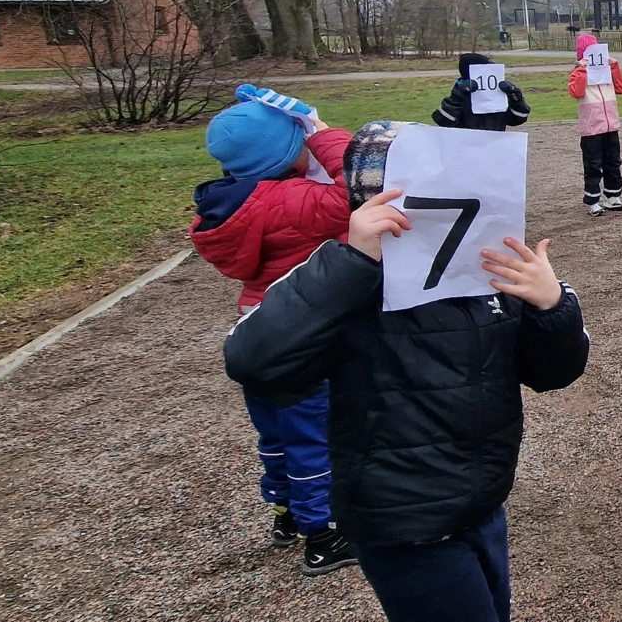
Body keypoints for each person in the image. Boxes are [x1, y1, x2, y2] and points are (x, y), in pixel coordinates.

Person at [223, 120, 590, 622]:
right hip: (400, 521)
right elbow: (254, 361)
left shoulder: (489, 278)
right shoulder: (344, 281)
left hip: (482, 502)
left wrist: (552, 307)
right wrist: (352, 262)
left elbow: (554, 373)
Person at [188, 84, 357, 575]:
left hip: (257, 328)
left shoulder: (230, 204)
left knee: (277, 433)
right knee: (315, 436)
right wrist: (321, 132)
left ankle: (285, 513)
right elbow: (360, 187)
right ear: (289, 153)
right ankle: (322, 534)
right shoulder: (292, 201)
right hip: (303, 336)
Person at [569, 33, 622, 217]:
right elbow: (576, 92)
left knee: (613, 162)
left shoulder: (607, 71)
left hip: (611, 126)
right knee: (593, 164)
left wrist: (614, 66)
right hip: (591, 128)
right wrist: (581, 70)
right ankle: (592, 200)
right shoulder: (579, 73)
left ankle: (613, 196)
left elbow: (621, 88)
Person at [432, 52, 531, 131]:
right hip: (464, 150)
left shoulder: (496, 95)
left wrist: (516, 99)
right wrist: (457, 97)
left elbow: (518, 118)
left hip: (494, 148)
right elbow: (443, 121)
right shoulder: (460, 96)